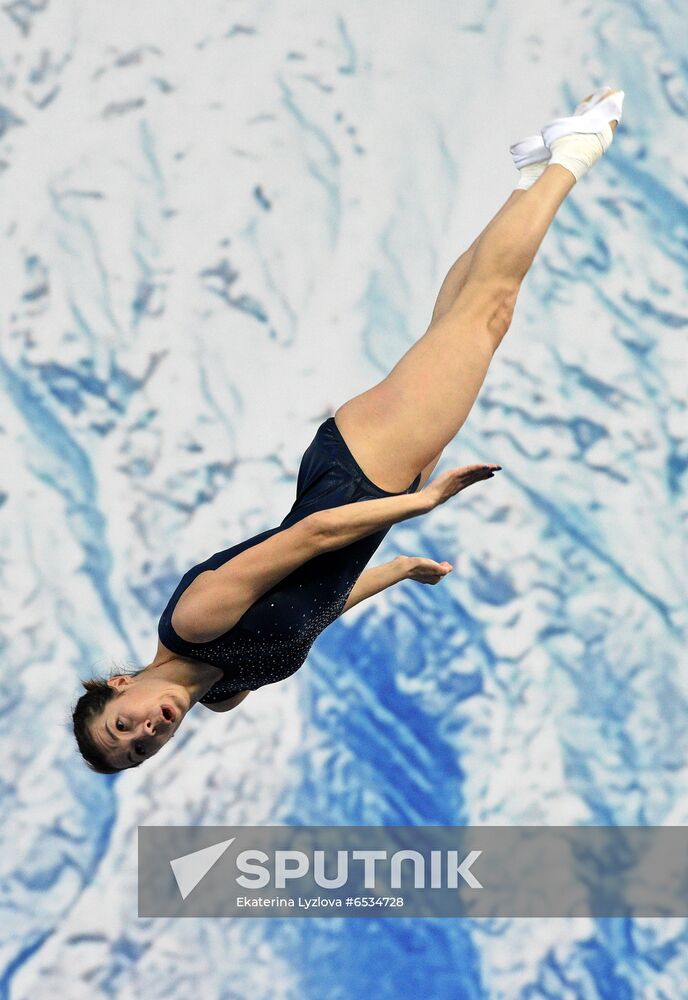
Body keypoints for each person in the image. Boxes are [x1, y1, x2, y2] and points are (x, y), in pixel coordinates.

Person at [72, 85, 624, 773]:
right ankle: (533, 173)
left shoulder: (194, 623)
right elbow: (309, 609)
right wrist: (392, 571)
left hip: (358, 473)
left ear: (120, 684)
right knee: (463, 323)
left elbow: (309, 537)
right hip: (370, 489)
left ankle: (576, 150)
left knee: (486, 313)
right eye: (140, 749)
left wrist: (420, 504)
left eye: (123, 724)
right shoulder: (226, 692)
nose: (144, 732)